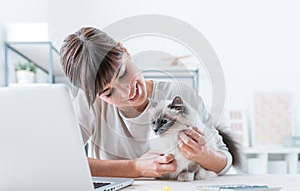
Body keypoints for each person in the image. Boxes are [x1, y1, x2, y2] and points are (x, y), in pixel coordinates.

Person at [59, 27, 232, 178]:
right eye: (109, 92)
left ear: (124, 50)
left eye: (123, 73)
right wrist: (135, 168)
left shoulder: (178, 94)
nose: (127, 91)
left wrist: (204, 154)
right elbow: (64, 161)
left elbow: (225, 161)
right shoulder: (90, 103)